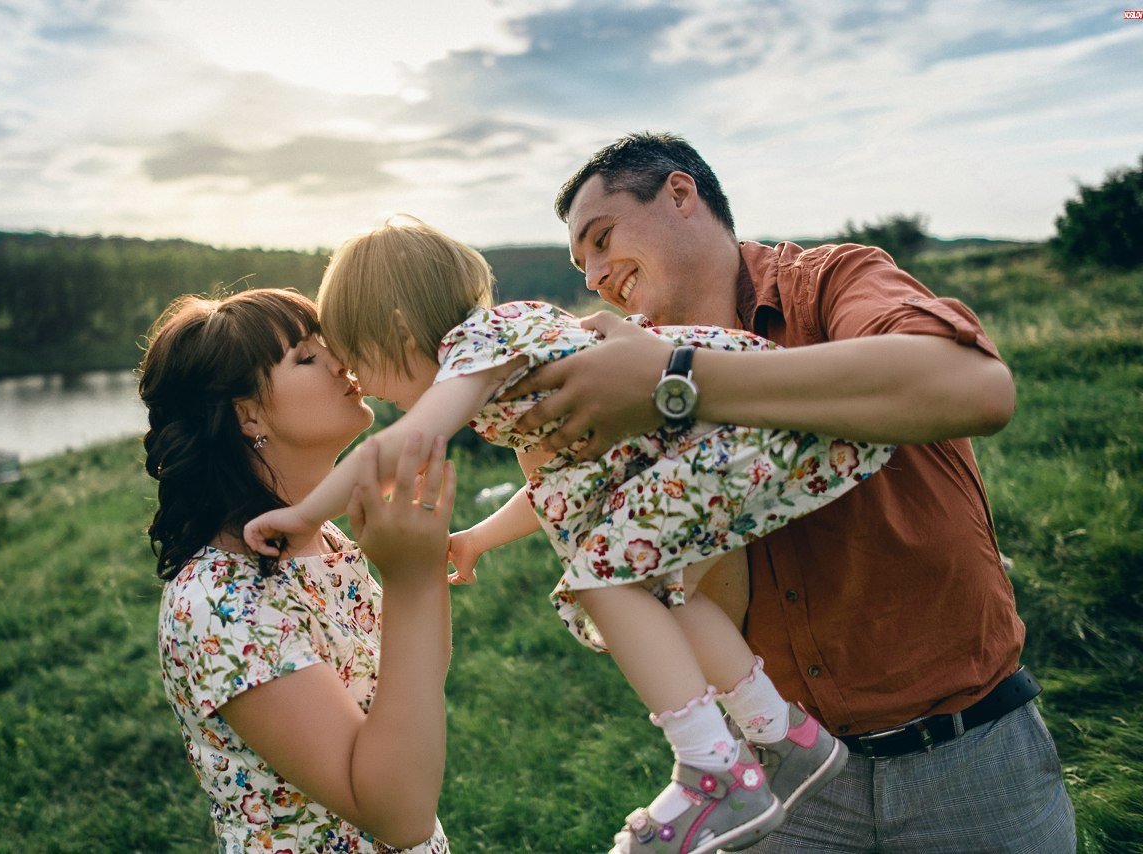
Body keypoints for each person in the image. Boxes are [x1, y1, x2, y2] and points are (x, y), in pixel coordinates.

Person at [502, 131, 1076, 852]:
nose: (593, 274)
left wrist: (677, 380)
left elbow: (976, 389)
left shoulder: (832, 280)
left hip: (971, 761)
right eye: (581, 261)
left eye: (602, 237)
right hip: (789, 782)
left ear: (681, 194)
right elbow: (709, 605)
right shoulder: (621, 378)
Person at [242, 219, 896, 852]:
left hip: (721, 428)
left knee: (599, 577)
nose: (367, 386)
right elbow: (560, 487)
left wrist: (301, 516)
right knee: (656, 584)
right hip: (710, 439)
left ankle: (714, 768)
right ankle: (782, 737)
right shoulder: (508, 360)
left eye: (361, 363)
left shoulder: (478, 347)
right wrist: (478, 538)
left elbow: (397, 450)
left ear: (397, 331)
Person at [139, 287, 456, 852]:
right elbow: (400, 815)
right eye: (307, 357)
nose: (342, 360)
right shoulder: (219, 603)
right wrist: (409, 580)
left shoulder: (322, 540)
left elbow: (415, 688)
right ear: (248, 415)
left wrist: (423, 563)